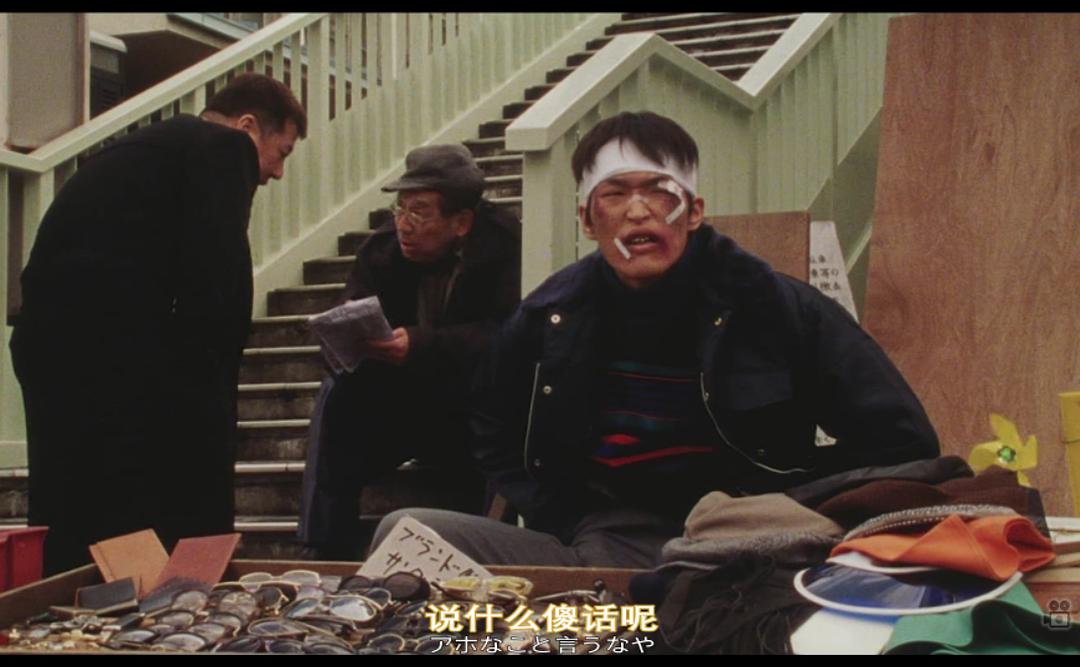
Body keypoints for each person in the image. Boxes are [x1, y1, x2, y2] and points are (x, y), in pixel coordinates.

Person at [370, 111, 940, 568]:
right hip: (609, 541)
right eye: (615, 194)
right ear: (588, 220)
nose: (639, 210)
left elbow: (902, 441)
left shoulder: (777, 307)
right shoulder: (550, 315)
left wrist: (797, 505)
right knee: (405, 533)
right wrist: (561, 515)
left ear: (692, 212)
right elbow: (492, 423)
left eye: (660, 192)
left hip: (747, 543)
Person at [10, 73, 307, 575]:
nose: (277, 172)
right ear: (248, 126)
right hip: (109, 348)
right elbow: (217, 280)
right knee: (165, 502)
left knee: (74, 513)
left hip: (52, 344)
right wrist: (214, 404)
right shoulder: (224, 147)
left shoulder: (144, 149)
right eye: (282, 152)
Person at [298, 145, 522, 560]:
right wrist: (346, 342)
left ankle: (495, 543)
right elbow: (349, 311)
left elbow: (508, 335)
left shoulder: (505, 244)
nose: (404, 224)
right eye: (399, 209)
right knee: (336, 392)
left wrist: (420, 344)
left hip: (474, 406)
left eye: (419, 212)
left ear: (461, 222)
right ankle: (324, 545)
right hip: (403, 402)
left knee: (509, 394)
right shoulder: (382, 249)